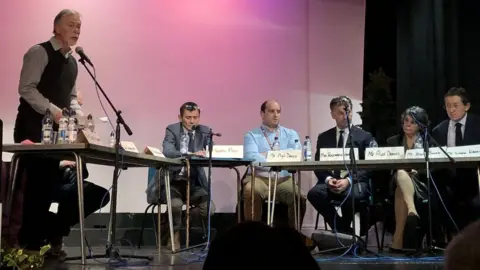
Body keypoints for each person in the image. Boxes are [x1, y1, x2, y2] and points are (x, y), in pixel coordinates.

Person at [13, 9, 83, 251]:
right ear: (56, 27)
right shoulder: (39, 52)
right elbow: (27, 88)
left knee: (72, 184)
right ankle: (28, 245)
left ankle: (50, 232)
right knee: (36, 187)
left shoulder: (73, 62)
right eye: (71, 25)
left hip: (60, 136)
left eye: (79, 26)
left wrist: (80, 117)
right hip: (32, 130)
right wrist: (53, 110)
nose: (77, 29)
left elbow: (72, 98)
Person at [307, 96, 375, 234]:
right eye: (340, 113)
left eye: (347, 112)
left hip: (355, 182)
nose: (345, 116)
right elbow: (318, 165)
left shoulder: (364, 137)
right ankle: (343, 231)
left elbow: (369, 167)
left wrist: (348, 181)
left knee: (353, 196)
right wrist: (328, 179)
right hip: (331, 181)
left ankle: (341, 233)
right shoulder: (324, 137)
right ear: (332, 114)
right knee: (314, 194)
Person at [243, 100, 306, 228]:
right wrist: (282, 156)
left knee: (299, 197)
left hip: (283, 179)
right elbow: (252, 157)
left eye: (278, 111)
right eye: (271, 111)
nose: (276, 115)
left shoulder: (291, 134)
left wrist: (267, 155)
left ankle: (294, 237)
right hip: (259, 178)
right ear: (262, 114)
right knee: (251, 191)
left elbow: (297, 154)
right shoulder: (251, 135)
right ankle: (252, 235)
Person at [161, 102, 215, 249]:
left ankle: (184, 219)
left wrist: (209, 151)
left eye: (195, 117)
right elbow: (168, 151)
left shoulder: (204, 131)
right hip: (174, 180)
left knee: (208, 208)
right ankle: (175, 233)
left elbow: (213, 149)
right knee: (176, 205)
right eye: (188, 117)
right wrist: (189, 155)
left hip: (194, 181)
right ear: (180, 117)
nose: (192, 121)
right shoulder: (172, 129)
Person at [432, 87, 480, 231]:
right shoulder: (439, 130)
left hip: (474, 178)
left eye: (455, 106)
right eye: (448, 106)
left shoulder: (478, 124)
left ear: (467, 106)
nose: (451, 110)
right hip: (450, 181)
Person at [386, 106, 429, 252]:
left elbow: (434, 167)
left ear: (421, 125)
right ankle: (412, 210)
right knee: (401, 173)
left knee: (401, 192)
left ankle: (397, 239)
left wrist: (419, 171)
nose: (408, 124)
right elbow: (386, 167)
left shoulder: (427, 142)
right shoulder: (393, 141)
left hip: (421, 183)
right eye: (406, 120)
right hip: (397, 180)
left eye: (412, 122)